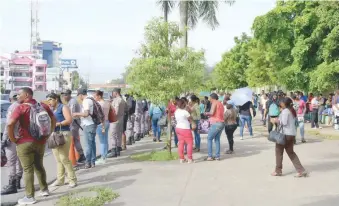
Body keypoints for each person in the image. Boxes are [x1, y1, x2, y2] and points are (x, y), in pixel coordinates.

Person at [7, 87, 56, 205]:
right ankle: (44, 189)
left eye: (19, 95)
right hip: (40, 142)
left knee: (28, 169)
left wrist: (13, 139)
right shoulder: (42, 106)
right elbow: (53, 118)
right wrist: (49, 133)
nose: (17, 97)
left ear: (27, 95)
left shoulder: (21, 108)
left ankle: (29, 197)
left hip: (24, 142)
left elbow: (10, 123)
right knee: (39, 165)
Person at [271, 98, 308, 178]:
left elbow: (283, 123)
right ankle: (301, 170)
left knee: (279, 152)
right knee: (291, 152)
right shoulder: (291, 111)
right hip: (291, 134)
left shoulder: (285, 111)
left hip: (284, 134)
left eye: (281, 102)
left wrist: (276, 121)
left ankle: (278, 170)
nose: (280, 103)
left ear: (285, 103)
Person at [46, 93, 77, 188]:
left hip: (64, 134)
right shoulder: (51, 109)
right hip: (54, 135)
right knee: (58, 159)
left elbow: (69, 120)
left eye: (51, 99)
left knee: (64, 158)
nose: (49, 102)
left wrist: (58, 124)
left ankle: (72, 179)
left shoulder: (63, 107)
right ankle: (60, 179)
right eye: (48, 100)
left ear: (56, 99)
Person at [1, 91, 23, 195]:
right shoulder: (23, 106)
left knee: (11, 161)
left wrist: (4, 139)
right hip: (22, 138)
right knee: (19, 160)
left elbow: (9, 125)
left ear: (10, 99)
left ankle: (12, 184)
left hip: (12, 138)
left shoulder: (12, 107)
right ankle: (18, 181)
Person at [72, 89, 98, 169]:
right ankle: (93, 162)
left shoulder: (86, 101)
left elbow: (86, 113)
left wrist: (76, 114)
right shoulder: (91, 99)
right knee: (92, 144)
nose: (79, 98)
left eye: (78, 96)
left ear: (81, 95)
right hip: (92, 124)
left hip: (88, 125)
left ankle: (88, 162)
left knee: (88, 145)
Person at [61, 89, 86, 163]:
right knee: (74, 140)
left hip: (74, 123)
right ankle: (81, 155)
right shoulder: (70, 101)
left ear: (69, 95)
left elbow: (71, 115)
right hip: (73, 122)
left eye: (65, 95)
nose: (64, 97)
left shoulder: (73, 102)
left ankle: (82, 155)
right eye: (63, 95)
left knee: (75, 140)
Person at [204, 93, 225, 161]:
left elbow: (212, 112)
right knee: (217, 139)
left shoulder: (214, 103)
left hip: (216, 123)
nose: (209, 99)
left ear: (212, 98)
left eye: (210, 98)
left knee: (209, 138)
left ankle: (210, 156)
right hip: (221, 123)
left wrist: (206, 113)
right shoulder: (220, 103)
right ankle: (217, 156)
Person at [175, 99, 196, 163]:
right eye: (184, 104)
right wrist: (193, 124)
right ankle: (190, 158)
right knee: (189, 143)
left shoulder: (176, 111)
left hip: (178, 128)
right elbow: (191, 119)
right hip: (185, 129)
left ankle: (181, 158)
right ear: (183, 104)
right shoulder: (185, 112)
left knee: (181, 143)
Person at [93, 90, 110, 165]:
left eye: (95, 96)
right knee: (105, 140)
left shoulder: (99, 104)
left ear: (99, 96)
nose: (94, 98)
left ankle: (103, 158)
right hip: (107, 122)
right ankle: (105, 156)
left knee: (102, 141)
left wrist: (102, 126)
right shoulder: (107, 103)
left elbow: (100, 116)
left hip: (101, 123)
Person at [108, 88, 126, 157]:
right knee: (118, 135)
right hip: (121, 120)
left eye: (113, 93)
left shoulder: (116, 100)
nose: (112, 94)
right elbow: (126, 109)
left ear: (115, 93)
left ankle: (113, 151)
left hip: (115, 120)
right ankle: (118, 150)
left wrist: (111, 105)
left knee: (113, 135)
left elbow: (116, 111)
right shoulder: (122, 100)